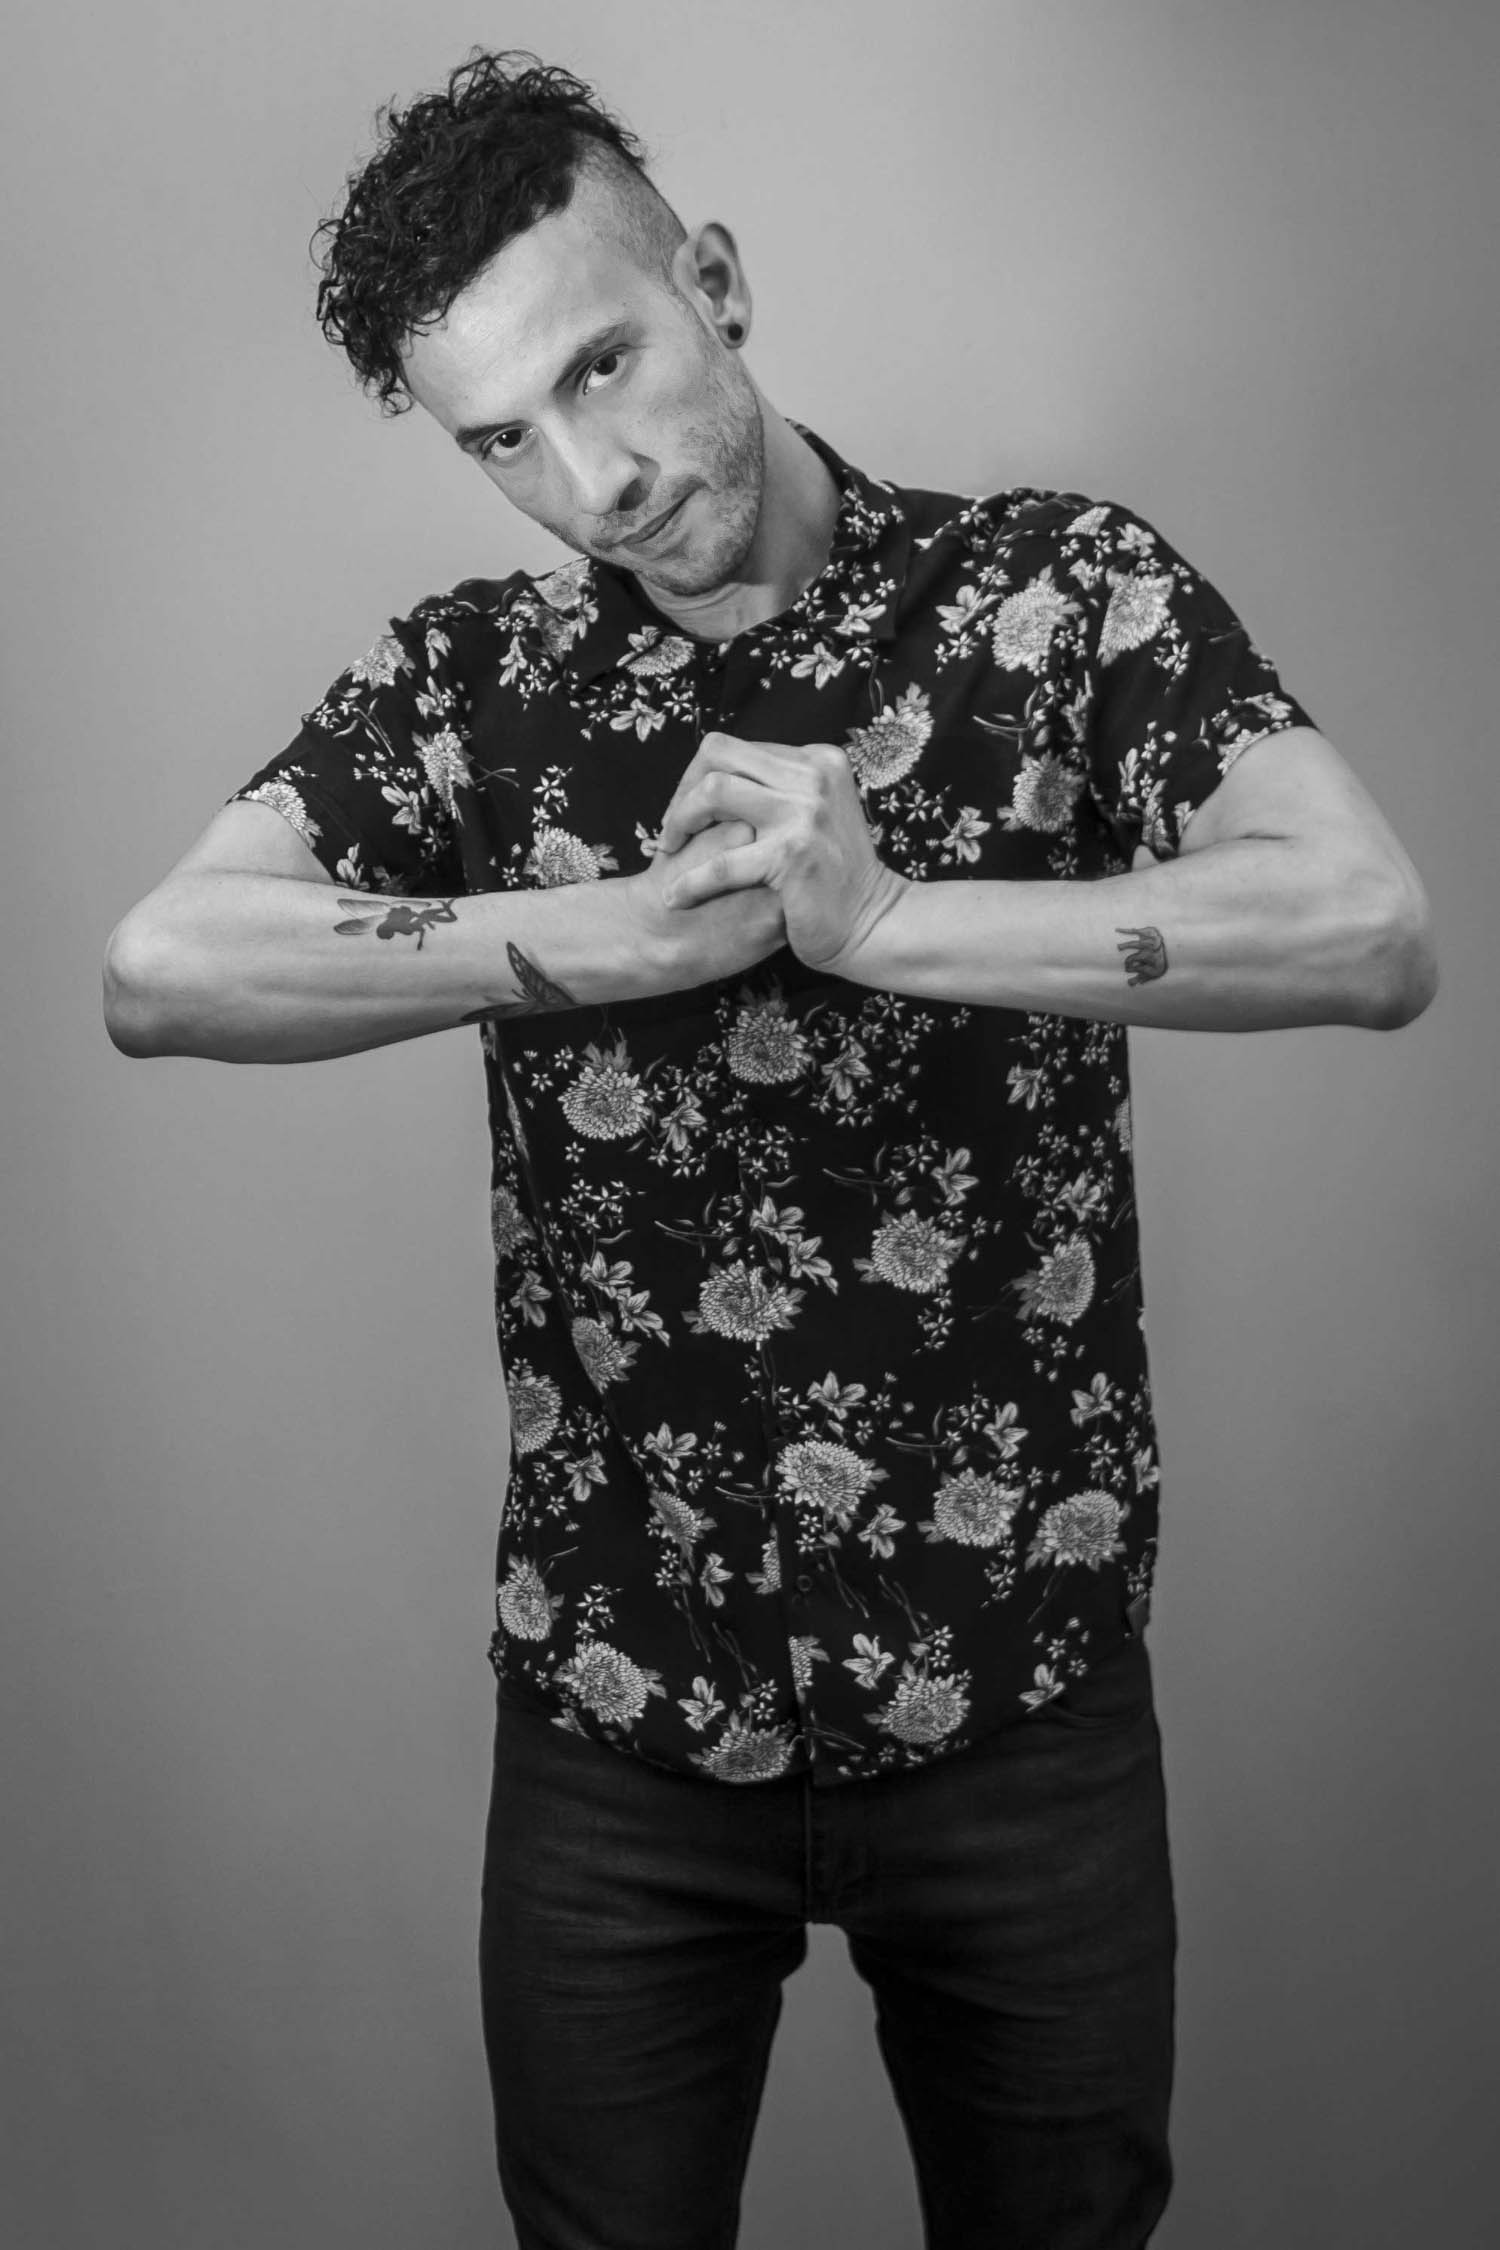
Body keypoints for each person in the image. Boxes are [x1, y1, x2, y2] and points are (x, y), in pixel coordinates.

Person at [102, 46, 1437, 2250]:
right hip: (619, 1718)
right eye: (503, 440)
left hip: (1021, 1686)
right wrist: (597, 940)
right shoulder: (468, 683)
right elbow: (162, 967)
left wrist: (892, 922)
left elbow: (1371, 927)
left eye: (605, 366)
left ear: (714, 280)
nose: (593, 478)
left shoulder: (1054, 593)